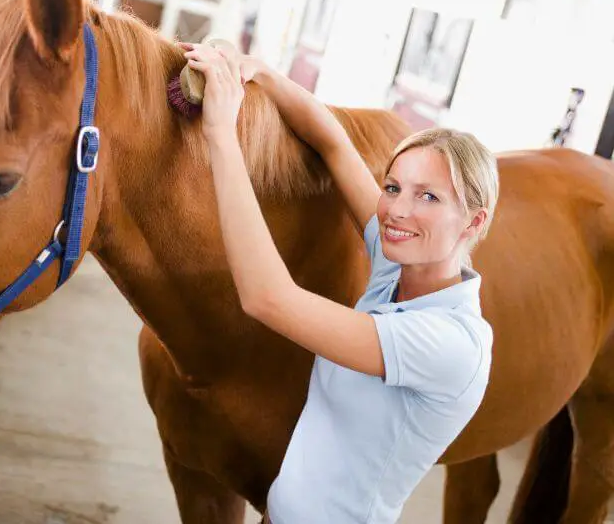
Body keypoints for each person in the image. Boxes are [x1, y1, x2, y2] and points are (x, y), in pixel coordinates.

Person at [179, 41, 499, 524]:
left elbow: (268, 298)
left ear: (473, 224)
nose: (397, 210)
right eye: (393, 187)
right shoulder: (397, 269)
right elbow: (331, 142)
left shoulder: (450, 342)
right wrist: (260, 73)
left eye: (428, 196)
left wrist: (221, 133)